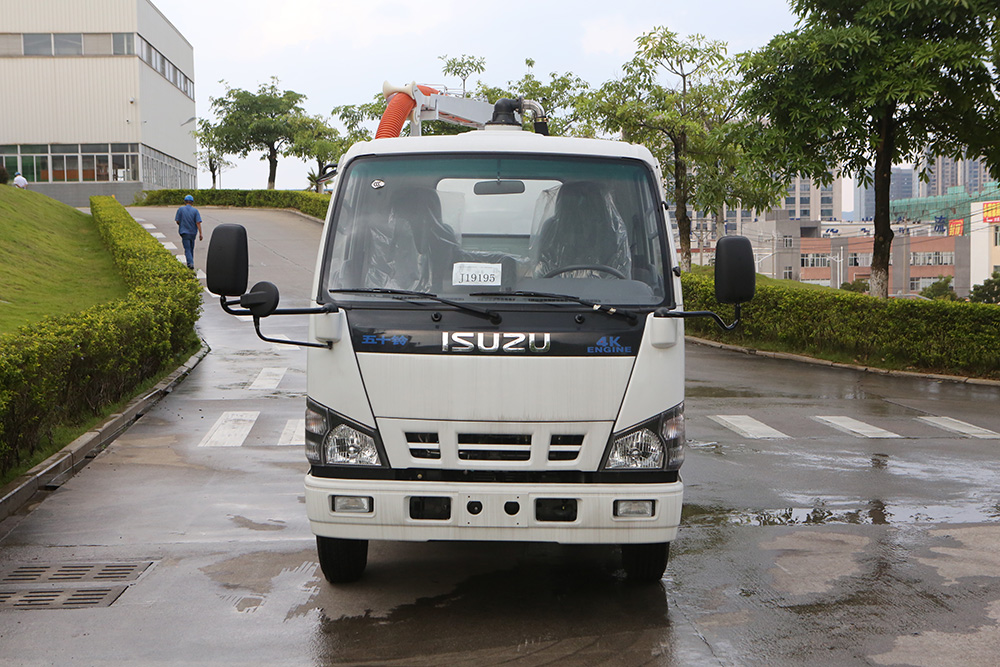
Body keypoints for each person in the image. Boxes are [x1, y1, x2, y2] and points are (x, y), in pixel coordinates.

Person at [175, 194, 203, 269]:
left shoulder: (180, 209)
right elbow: (198, 223)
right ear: (192, 202)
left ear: (185, 201)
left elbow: (177, 221)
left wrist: (182, 224)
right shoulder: (195, 211)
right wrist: (200, 234)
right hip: (193, 233)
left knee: (187, 249)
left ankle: (190, 263)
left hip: (184, 232)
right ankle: (190, 262)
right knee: (191, 248)